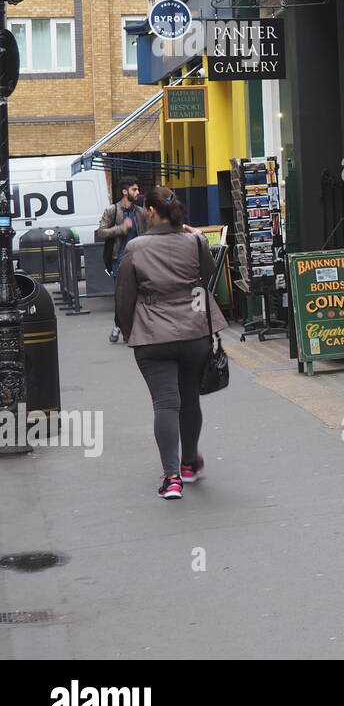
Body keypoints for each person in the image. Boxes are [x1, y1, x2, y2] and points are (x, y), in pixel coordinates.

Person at [116, 186, 227, 500]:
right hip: (194, 333)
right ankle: (190, 464)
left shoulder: (136, 248)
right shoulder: (194, 241)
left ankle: (172, 478)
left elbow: (125, 296)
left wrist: (130, 332)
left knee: (165, 403)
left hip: (152, 337)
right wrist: (199, 240)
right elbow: (207, 277)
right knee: (190, 399)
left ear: (151, 211)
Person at [96, 176, 142, 343]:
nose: (138, 192)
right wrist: (121, 228)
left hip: (139, 260)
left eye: (137, 189)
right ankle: (119, 325)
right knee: (122, 296)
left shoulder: (140, 212)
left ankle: (127, 327)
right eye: (134, 189)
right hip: (119, 260)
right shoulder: (112, 211)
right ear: (125, 192)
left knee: (138, 295)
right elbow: (101, 232)